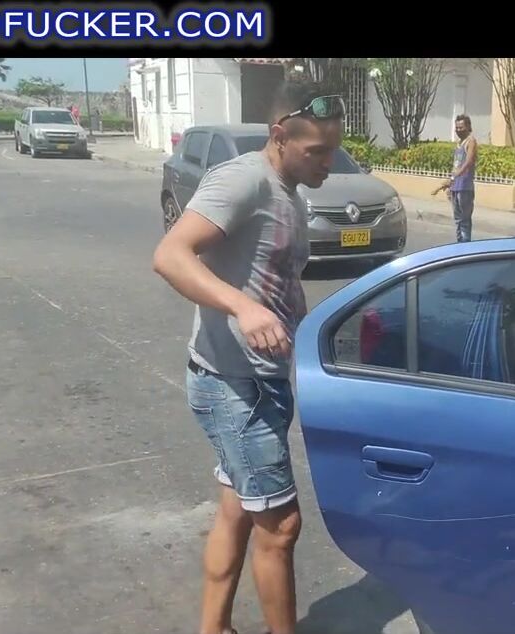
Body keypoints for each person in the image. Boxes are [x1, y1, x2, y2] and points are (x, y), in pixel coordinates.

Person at [151, 79, 344, 634]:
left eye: (333, 149)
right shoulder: (243, 180)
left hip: (259, 381)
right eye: (317, 151)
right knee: (280, 527)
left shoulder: (287, 191)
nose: (328, 162)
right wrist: (243, 308)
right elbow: (170, 254)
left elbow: (274, 282)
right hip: (235, 386)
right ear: (279, 136)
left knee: (238, 510)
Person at [432, 114, 478, 242]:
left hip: (465, 187)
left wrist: (454, 177)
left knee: (464, 221)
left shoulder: (471, 141)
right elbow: (456, 166)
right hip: (455, 187)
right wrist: (450, 184)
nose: (458, 130)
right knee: (458, 220)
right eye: (457, 128)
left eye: (461, 127)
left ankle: (465, 246)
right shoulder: (458, 144)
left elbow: (468, 162)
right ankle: (459, 244)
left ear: (468, 127)